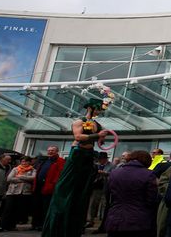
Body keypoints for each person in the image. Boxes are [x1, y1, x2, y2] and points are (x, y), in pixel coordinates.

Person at [43, 84, 114, 237]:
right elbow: (78, 137)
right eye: (98, 109)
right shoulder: (80, 121)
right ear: (91, 108)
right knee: (69, 186)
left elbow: (97, 141)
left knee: (82, 190)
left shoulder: (96, 124)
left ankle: (75, 224)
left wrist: (101, 138)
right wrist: (97, 135)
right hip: (78, 154)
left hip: (88, 155)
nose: (100, 112)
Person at [104, 150, 159, 237]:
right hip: (138, 220)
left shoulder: (114, 173)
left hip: (115, 219)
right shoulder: (149, 174)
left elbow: (108, 195)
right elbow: (151, 199)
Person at [0, 156, 36, 233]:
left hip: (24, 192)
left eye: (26, 161)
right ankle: (2, 226)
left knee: (17, 210)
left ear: (29, 162)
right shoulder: (15, 169)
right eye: (22, 161)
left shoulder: (33, 170)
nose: (24, 163)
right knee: (7, 209)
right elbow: (9, 179)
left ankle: (11, 226)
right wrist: (25, 179)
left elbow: (33, 178)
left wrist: (20, 176)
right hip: (12, 192)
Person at [30, 146, 65, 231]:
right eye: (49, 150)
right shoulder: (45, 160)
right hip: (38, 187)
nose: (50, 152)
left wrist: (53, 184)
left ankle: (43, 225)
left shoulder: (60, 161)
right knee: (37, 206)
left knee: (45, 207)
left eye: (52, 150)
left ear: (57, 151)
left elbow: (59, 174)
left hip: (48, 188)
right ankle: (35, 224)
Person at [87, 151, 115, 228]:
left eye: (101, 159)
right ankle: (90, 220)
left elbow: (113, 175)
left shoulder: (112, 165)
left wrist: (105, 173)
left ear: (105, 159)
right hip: (96, 187)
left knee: (104, 204)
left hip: (106, 187)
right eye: (99, 159)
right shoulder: (96, 165)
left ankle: (102, 222)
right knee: (92, 204)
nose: (99, 160)